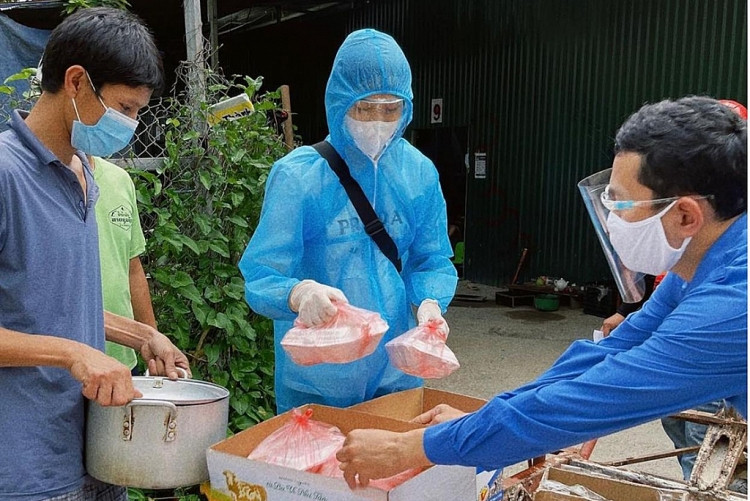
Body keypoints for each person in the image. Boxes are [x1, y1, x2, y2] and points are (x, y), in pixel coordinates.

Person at [335, 96, 747, 489]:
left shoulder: (732, 309)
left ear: (686, 215)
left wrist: (407, 448)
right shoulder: (698, 265)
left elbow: (588, 401)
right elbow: (604, 355)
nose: (611, 221)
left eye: (620, 206)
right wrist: (483, 419)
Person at [0, 8, 190, 500]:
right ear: (77, 82)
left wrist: (141, 334)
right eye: (125, 108)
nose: (129, 125)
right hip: (26, 464)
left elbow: (50, 302)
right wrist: (73, 355)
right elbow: (60, 336)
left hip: (99, 450)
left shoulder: (86, 175)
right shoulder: (6, 175)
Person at [239, 28, 457, 413]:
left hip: (397, 374)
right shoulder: (298, 177)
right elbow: (261, 275)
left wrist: (429, 303)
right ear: (340, 104)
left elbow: (432, 259)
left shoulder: (418, 173)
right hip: (316, 379)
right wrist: (299, 293)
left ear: (406, 107)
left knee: (394, 469)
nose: (378, 121)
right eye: (364, 108)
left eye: (391, 109)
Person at [91, 155, 158, 374]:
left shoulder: (119, 179)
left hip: (122, 359)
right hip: (59, 370)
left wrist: (151, 340)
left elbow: (133, 268)